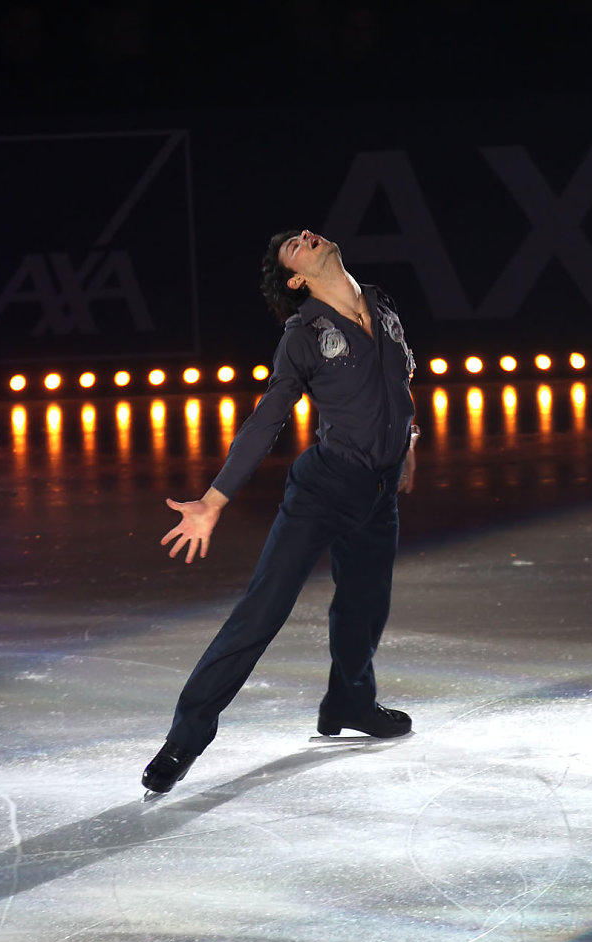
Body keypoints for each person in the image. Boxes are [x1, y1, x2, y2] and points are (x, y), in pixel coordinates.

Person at [142, 228, 420, 793]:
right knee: (261, 613)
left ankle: (349, 705)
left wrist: (408, 442)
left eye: (304, 234)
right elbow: (268, 418)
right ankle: (184, 739)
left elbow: (400, 379)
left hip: (379, 490)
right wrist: (214, 500)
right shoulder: (304, 334)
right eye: (294, 246)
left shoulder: (381, 301)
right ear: (296, 280)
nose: (306, 237)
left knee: (365, 607)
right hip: (324, 490)